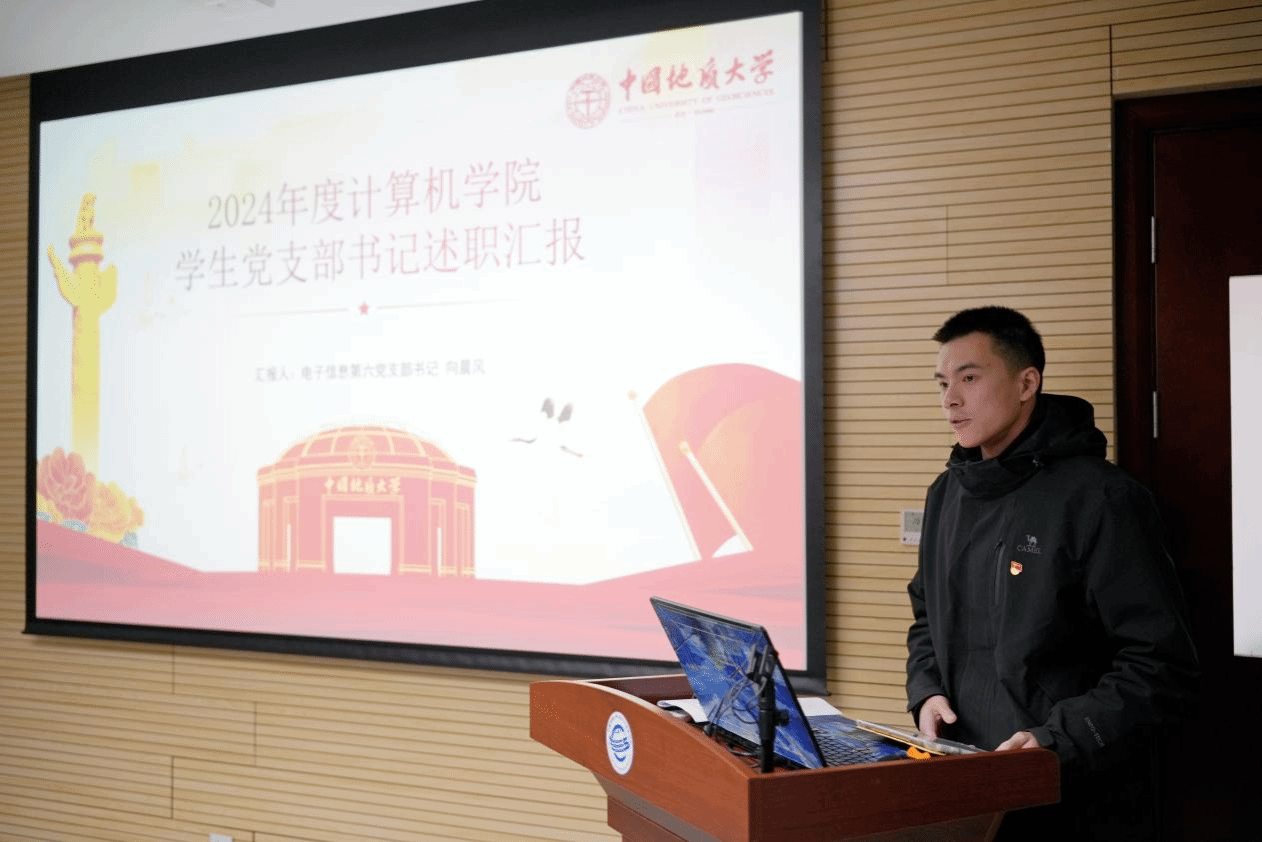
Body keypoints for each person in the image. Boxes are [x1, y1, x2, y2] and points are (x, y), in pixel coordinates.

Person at [905, 306, 1198, 841]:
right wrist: (926, 691)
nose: (950, 400)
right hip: (967, 777)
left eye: (969, 378)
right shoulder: (945, 494)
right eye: (943, 384)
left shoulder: (1102, 498)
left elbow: (1159, 663)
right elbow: (926, 616)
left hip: (1072, 791)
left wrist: (1057, 740)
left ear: (1026, 383)